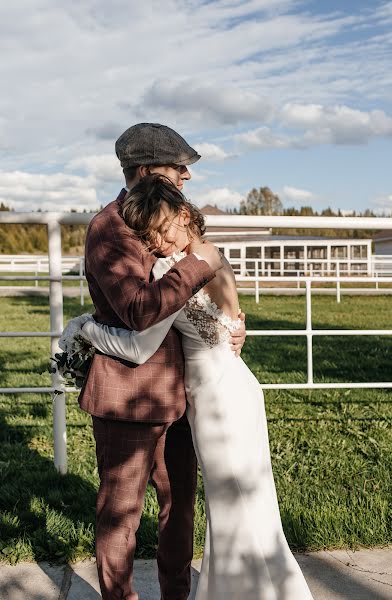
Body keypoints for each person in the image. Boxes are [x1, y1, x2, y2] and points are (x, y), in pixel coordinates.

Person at [81, 175, 313, 599]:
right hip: (237, 387)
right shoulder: (212, 255)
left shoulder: (177, 270)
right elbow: (234, 320)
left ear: (185, 215)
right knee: (248, 505)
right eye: (150, 235)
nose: (159, 242)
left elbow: (138, 345)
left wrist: (85, 329)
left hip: (218, 402)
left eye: (163, 228)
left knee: (232, 508)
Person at [78, 123, 246, 600]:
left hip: (179, 391)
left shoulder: (171, 214)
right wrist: (202, 264)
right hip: (126, 395)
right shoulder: (109, 228)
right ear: (147, 170)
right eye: (180, 167)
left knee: (180, 506)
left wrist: (232, 318)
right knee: (121, 513)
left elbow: (206, 282)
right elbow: (138, 310)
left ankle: (177, 595)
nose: (187, 176)